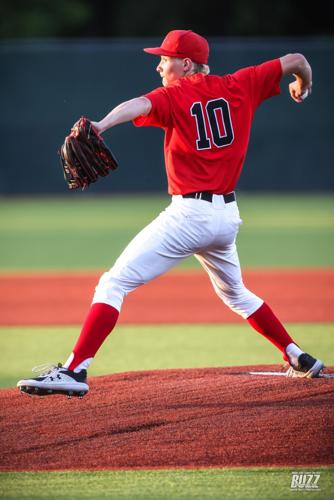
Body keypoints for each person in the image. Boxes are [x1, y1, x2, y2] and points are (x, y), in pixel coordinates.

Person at [17, 30, 324, 398]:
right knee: (237, 294)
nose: (160, 65)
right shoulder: (242, 82)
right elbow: (297, 60)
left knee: (114, 283)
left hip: (190, 215)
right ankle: (297, 356)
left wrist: (100, 124)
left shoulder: (175, 94)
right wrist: (302, 86)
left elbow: (138, 104)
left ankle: (75, 368)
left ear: (187, 64)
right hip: (226, 217)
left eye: (165, 59)